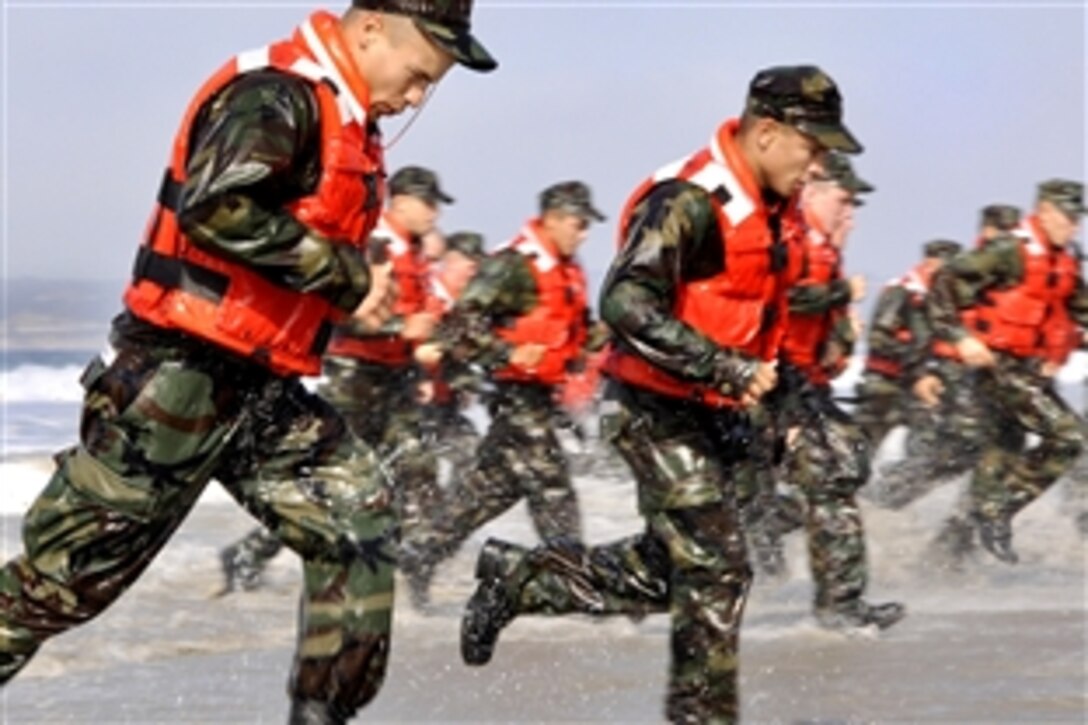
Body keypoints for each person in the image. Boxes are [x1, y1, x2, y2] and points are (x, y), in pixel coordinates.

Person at [0, 4, 495, 722]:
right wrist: (349, 277)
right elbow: (216, 205)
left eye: (431, 87)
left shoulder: (344, 116)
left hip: (259, 386)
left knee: (357, 518)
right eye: (419, 75)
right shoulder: (279, 94)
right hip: (172, 379)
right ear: (368, 32)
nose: (418, 96)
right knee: (62, 585)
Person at [457, 65, 860, 723]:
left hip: (720, 410)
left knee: (668, 568)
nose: (819, 163)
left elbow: (764, 320)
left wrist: (784, 409)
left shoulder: (775, 209)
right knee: (718, 567)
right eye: (811, 145)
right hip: (654, 406)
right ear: (765, 132)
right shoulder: (691, 199)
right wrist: (723, 367)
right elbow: (624, 301)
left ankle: (522, 577)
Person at [217, 165, 455, 594]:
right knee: (329, 480)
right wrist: (403, 328)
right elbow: (344, 317)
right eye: (430, 203)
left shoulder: (416, 252)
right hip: (356, 376)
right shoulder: (376, 245)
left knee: (416, 466)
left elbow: (425, 313)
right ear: (402, 201)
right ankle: (251, 553)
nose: (436, 213)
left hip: (395, 378)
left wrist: (427, 339)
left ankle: (409, 567)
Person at [400, 181, 606, 607]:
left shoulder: (565, 267)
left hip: (542, 398)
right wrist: (507, 352)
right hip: (516, 396)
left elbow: (579, 327)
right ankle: (578, 588)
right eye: (578, 223)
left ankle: (419, 553)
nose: (584, 233)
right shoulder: (514, 264)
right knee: (553, 489)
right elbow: (460, 323)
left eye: (587, 225)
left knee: (487, 492)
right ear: (551, 219)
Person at [927, 180, 1088, 564]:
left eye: (1078, 219)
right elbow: (944, 281)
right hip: (999, 368)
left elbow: (1080, 307)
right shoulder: (1009, 250)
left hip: (1030, 370)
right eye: (1068, 217)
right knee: (1069, 437)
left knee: (1001, 454)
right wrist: (960, 338)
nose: (1074, 226)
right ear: (1045, 212)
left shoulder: (1063, 259)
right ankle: (998, 509)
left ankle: (947, 555)